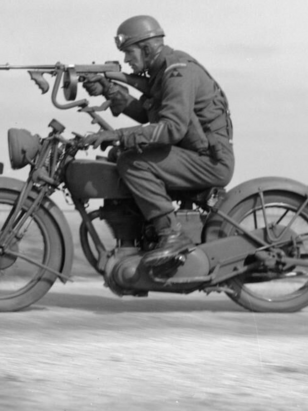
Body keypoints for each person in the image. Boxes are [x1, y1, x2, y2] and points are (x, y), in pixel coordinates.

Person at [81, 15, 235, 266]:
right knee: (119, 157)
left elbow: (172, 129)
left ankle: (172, 235)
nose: (126, 60)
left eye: (129, 53)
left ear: (147, 48)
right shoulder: (163, 73)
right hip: (193, 155)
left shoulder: (178, 73)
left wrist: (118, 135)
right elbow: (147, 113)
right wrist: (110, 89)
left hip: (208, 161)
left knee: (133, 162)